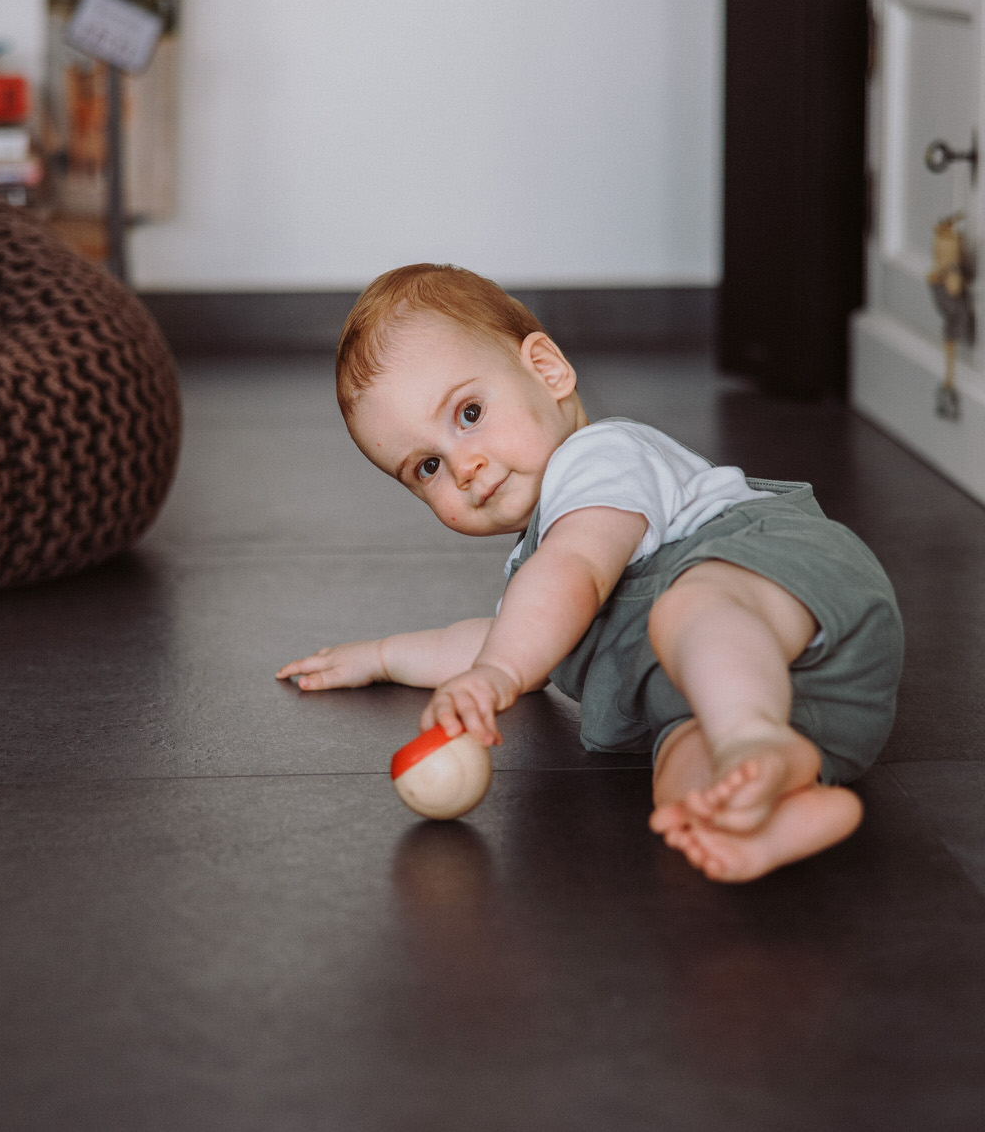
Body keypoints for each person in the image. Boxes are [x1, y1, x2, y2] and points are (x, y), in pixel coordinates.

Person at [277, 265, 903, 882]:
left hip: (787, 588)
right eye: (427, 468)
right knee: (678, 767)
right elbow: (499, 641)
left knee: (692, 608)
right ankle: (766, 809)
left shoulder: (600, 458)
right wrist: (383, 657)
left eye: (468, 413)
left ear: (546, 370)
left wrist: (499, 672)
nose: (463, 466)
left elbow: (569, 577)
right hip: (810, 706)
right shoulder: (538, 572)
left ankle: (749, 738)